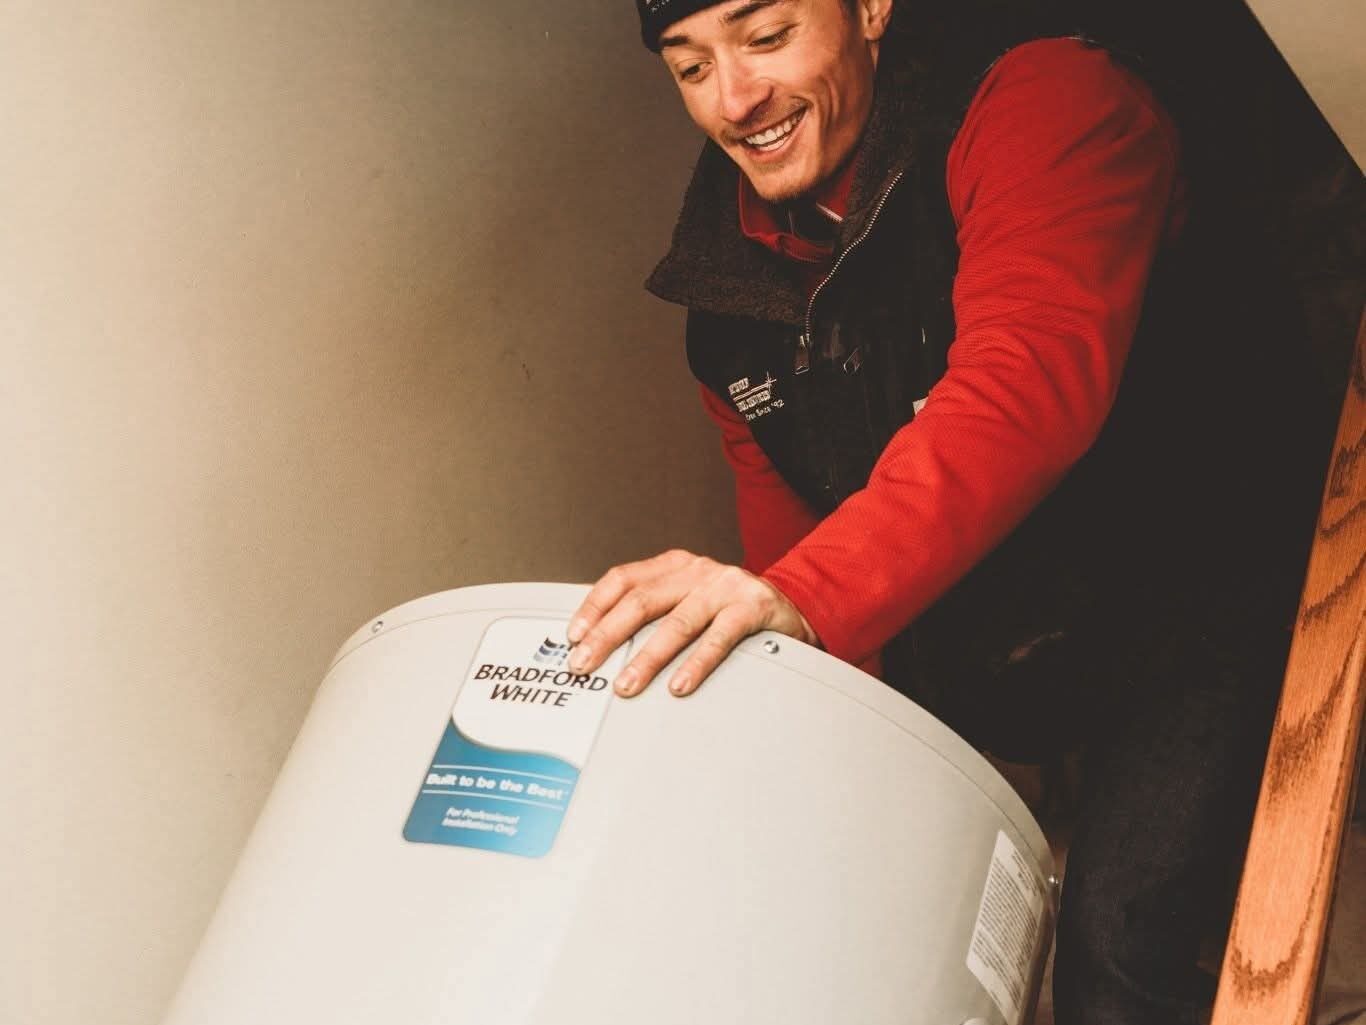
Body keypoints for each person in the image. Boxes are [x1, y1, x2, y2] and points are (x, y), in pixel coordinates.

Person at [566, 0, 1327, 1021]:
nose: (735, 100)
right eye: (690, 67)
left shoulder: (1041, 93)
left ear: (870, 7)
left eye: (764, 36)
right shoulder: (725, 300)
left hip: (1203, 557)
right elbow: (794, 567)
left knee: (1115, 948)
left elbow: (1026, 379)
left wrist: (797, 593)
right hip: (1010, 634)